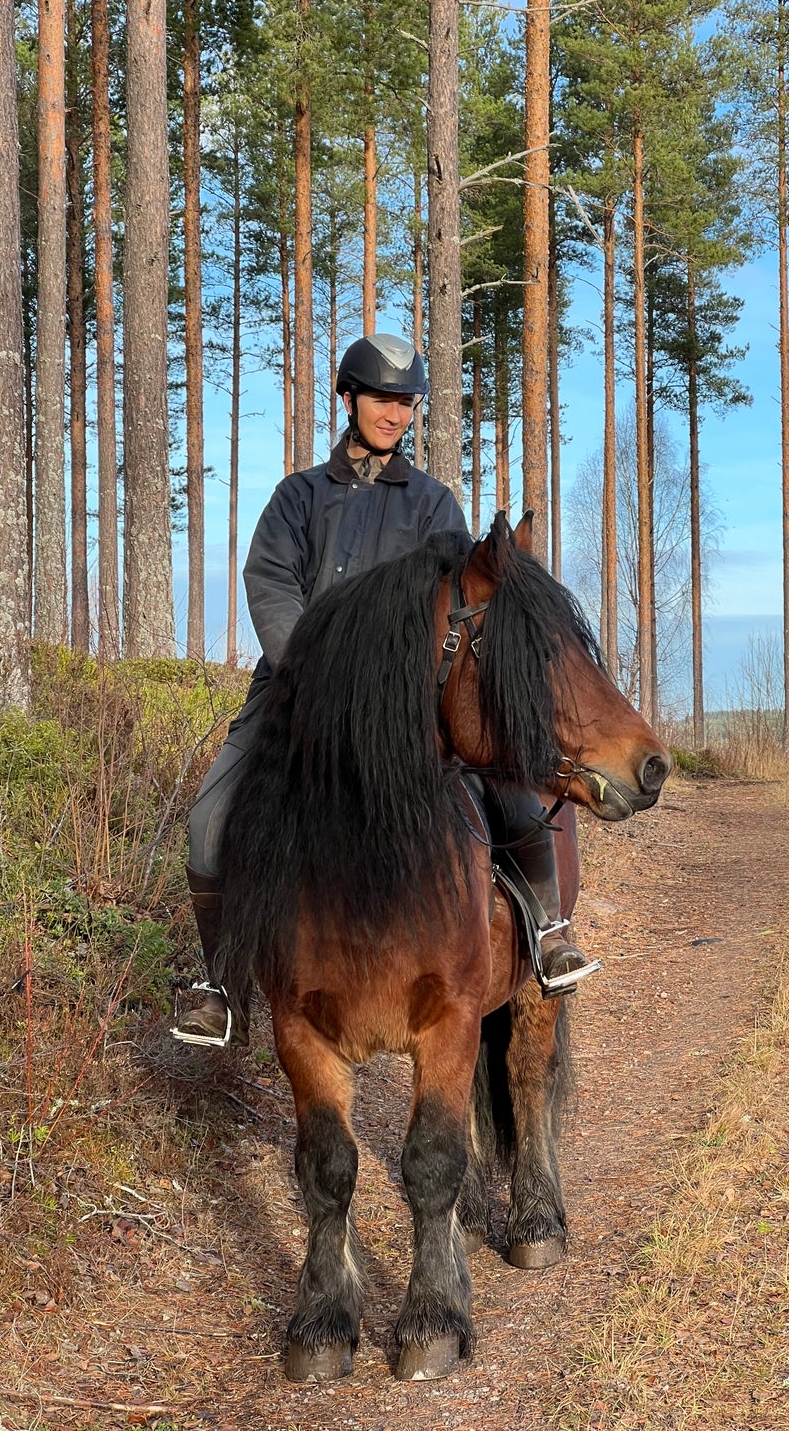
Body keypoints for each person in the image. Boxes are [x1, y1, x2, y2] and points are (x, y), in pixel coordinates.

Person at [173, 332, 591, 1047]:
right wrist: (310, 664)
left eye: (406, 401)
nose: (395, 414)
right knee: (208, 826)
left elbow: (461, 595)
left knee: (513, 792)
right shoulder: (297, 497)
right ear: (348, 399)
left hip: (412, 705)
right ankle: (222, 986)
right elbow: (269, 582)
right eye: (382, 399)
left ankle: (548, 928)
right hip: (295, 692)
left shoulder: (433, 505)